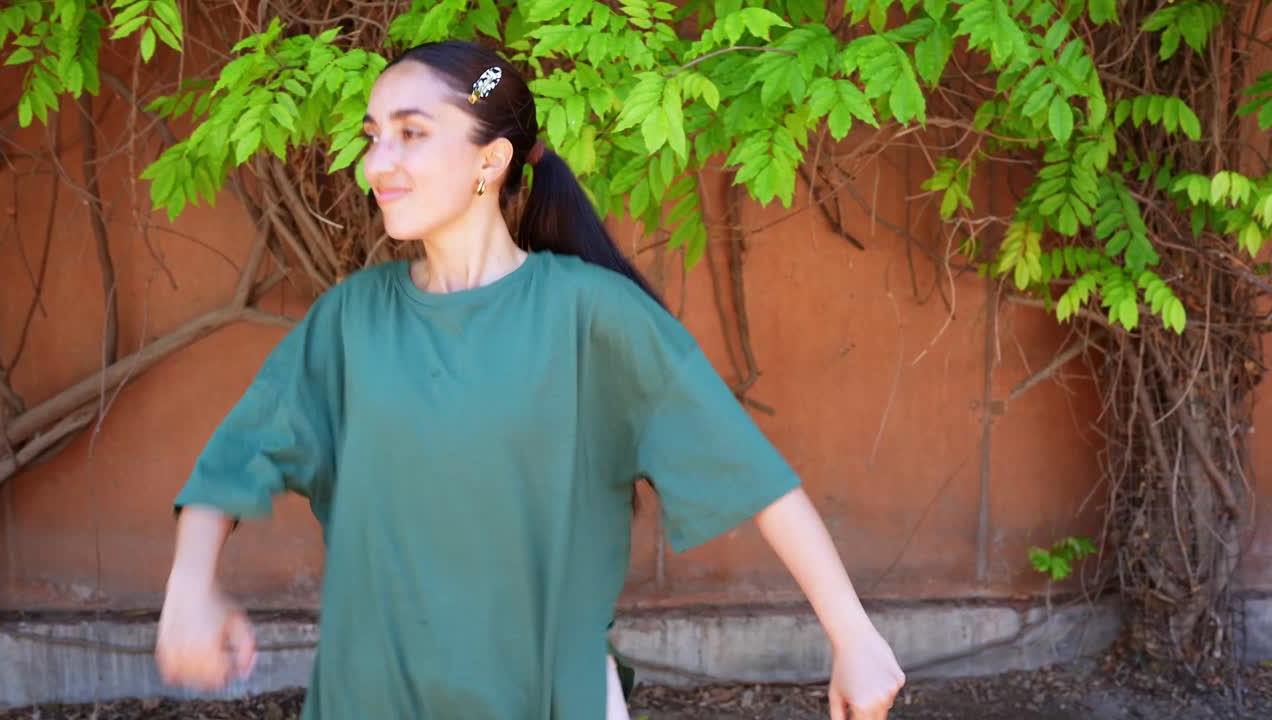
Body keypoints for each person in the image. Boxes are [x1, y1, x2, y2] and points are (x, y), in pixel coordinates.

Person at [155, 40, 905, 720]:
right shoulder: (351, 320)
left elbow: (750, 474)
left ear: (491, 161)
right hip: (370, 697)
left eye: (411, 133)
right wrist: (189, 589)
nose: (378, 163)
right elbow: (239, 456)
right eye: (373, 135)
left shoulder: (590, 315)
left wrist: (855, 637)